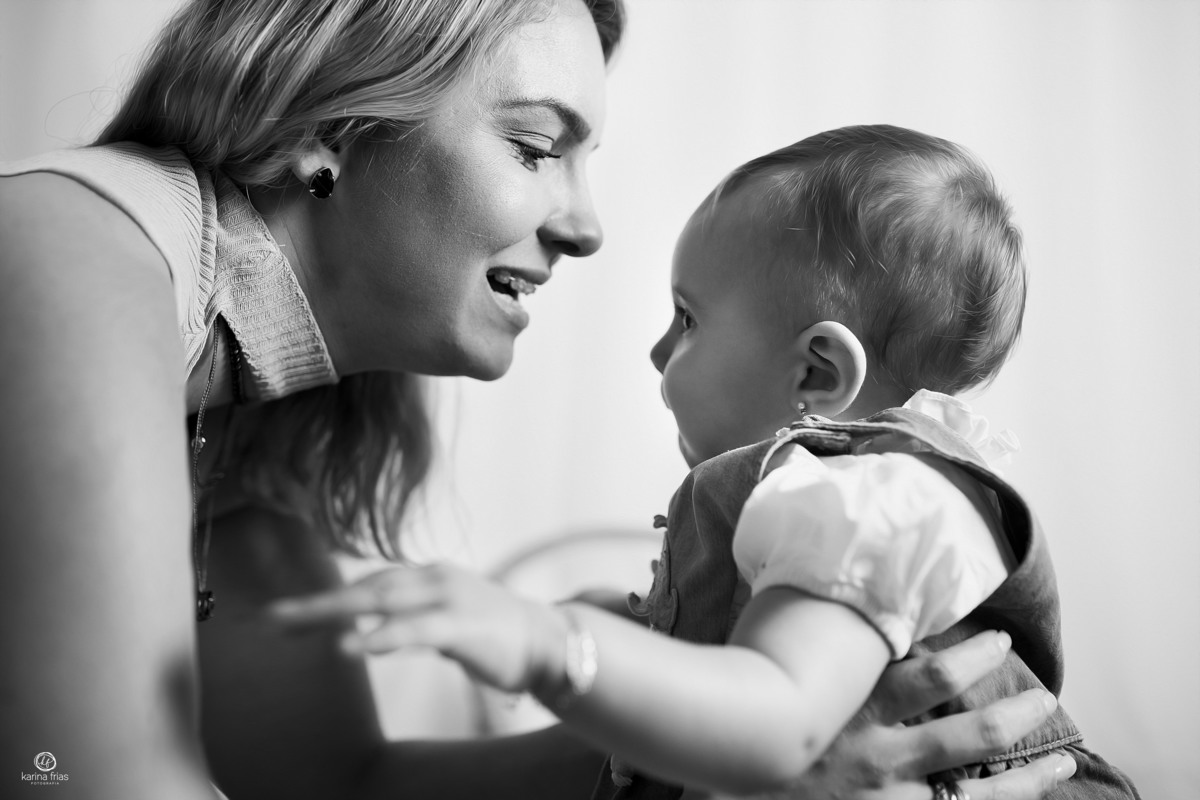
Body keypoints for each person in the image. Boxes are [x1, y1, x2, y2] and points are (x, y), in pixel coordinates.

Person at [0, 0, 1073, 795]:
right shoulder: (67, 254)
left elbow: (346, 784)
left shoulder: (242, 462)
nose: (586, 225)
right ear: (325, 127)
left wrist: (683, 728)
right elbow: (71, 780)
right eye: (534, 146)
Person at [270, 125, 1142, 800]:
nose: (658, 352)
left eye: (687, 319)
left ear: (818, 373)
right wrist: (655, 630)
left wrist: (547, 648)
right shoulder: (835, 508)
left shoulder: (871, 501)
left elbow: (777, 717)